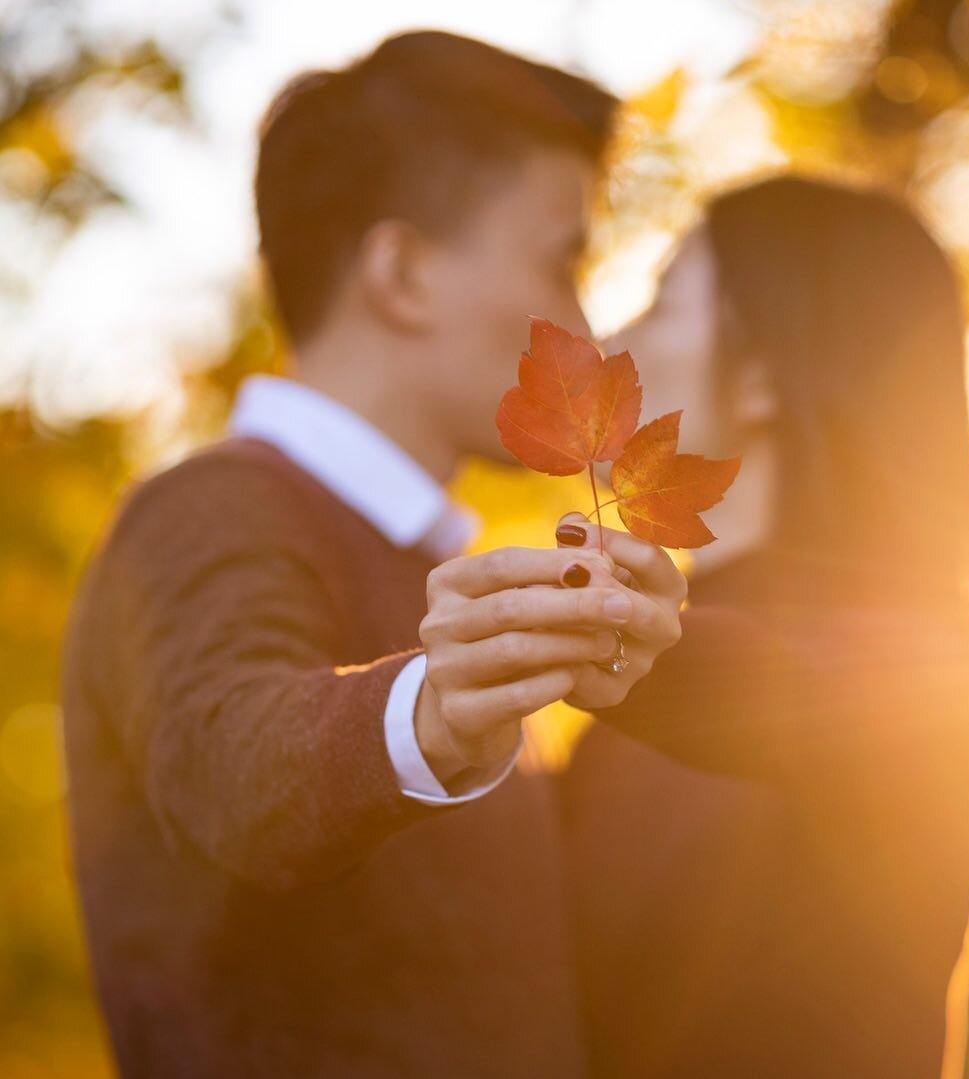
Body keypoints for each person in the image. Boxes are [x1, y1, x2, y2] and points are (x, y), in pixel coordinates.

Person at [60, 32, 689, 1078]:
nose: (582, 324)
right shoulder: (206, 512)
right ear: (400, 271)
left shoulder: (432, 580)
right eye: (558, 259)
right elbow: (231, 756)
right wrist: (433, 709)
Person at [557, 177, 969, 1077]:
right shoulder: (611, 737)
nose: (610, 342)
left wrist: (640, 647)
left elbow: (795, 687)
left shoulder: (912, 682)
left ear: (761, 372)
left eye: (662, 299)